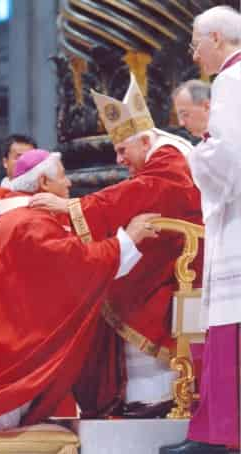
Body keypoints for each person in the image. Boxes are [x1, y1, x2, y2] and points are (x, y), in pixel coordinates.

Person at [0, 149, 159, 454]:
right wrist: (128, 239)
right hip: (3, 374)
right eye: (63, 176)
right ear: (44, 181)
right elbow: (77, 266)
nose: (70, 184)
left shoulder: (10, 217)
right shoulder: (28, 224)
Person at [30, 73, 203, 418]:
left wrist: (74, 206)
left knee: (124, 291)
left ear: (144, 141)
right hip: (168, 253)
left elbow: (147, 192)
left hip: (185, 262)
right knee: (110, 280)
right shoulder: (155, 156)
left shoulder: (168, 157)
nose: (120, 159)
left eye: (123, 150)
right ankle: (140, 397)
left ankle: (160, 396)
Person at [160, 6, 241, 454]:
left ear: (214, 38)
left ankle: (220, 434)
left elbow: (227, 159)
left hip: (237, 222)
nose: (193, 55)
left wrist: (193, 154)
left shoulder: (229, 81)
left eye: (194, 44)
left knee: (230, 328)